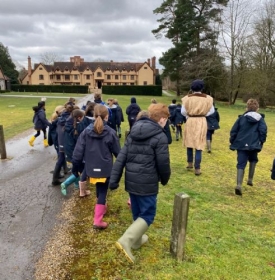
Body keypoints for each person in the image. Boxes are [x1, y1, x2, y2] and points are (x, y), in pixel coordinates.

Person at [109, 103, 171, 264]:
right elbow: (163, 163)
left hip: (132, 181)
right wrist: (165, 178)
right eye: (167, 120)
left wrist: (114, 180)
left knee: (138, 211)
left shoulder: (133, 132)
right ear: (162, 119)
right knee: (148, 214)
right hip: (147, 183)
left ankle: (136, 240)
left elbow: (121, 157)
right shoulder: (160, 136)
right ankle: (126, 240)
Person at [72, 104, 120, 229]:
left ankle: (101, 207)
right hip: (105, 167)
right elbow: (118, 153)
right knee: (103, 190)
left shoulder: (85, 132)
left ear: (94, 116)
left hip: (91, 168)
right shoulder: (111, 132)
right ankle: (98, 220)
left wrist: (75, 169)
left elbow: (77, 153)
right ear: (107, 116)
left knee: (100, 187)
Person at [229, 98, 267, 196]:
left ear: (247, 107)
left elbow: (234, 131)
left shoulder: (241, 118)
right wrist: (261, 141)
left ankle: (239, 184)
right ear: (257, 108)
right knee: (253, 159)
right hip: (254, 144)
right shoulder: (260, 119)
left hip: (241, 144)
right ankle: (250, 179)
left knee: (241, 163)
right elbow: (263, 131)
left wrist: (233, 141)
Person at [181, 79, 214, 175]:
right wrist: (203, 114)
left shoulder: (186, 98)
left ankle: (190, 163)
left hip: (190, 120)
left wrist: (190, 114)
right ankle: (197, 168)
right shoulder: (208, 98)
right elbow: (212, 111)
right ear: (202, 88)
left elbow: (183, 112)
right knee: (199, 144)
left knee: (189, 141)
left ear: (192, 88)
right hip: (201, 120)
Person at [61, 109, 88, 196]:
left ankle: (77, 185)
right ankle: (65, 184)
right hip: (75, 153)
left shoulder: (68, 124)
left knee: (76, 169)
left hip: (69, 151)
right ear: (79, 117)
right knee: (80, 170)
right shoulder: (76, 128)